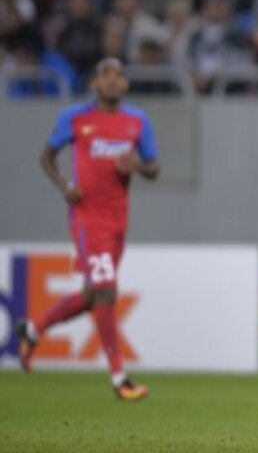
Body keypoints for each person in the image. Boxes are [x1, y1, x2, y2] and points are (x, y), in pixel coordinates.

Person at [15, 58, 160, 401]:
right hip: (87, 217)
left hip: (118, 218)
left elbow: (154, 167)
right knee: (107, 289)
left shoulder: (137, 121)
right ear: (94, 83)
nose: (112, 80)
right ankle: (119, 378)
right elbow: (46, 156)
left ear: (125, 84)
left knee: (92, 295)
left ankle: (33, 329)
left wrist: (137, 166)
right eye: (105, 74)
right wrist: (64, 184)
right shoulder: (75, 118)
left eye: (119, 74)